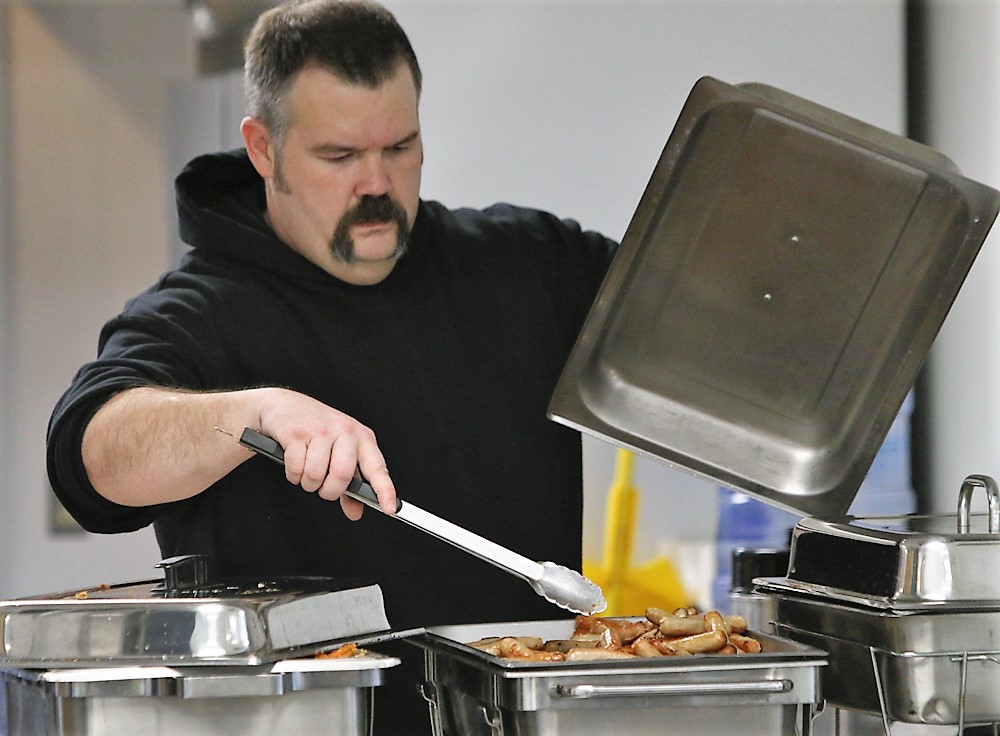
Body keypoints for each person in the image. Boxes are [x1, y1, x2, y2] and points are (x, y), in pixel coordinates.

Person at [46, 0, 617, 733]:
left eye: (401, 147)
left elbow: (700, 324)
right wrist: (253, 414)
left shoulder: (531, 264)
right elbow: (89, 457)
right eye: (339, 157)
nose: (376, 184)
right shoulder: (200, 311)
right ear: (263, 149)